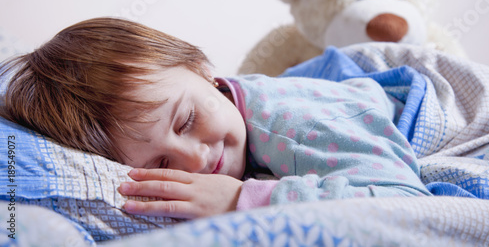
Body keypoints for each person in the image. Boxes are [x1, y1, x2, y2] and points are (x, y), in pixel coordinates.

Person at [0, 17, 431, 219]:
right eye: (161, 165)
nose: (196, 159)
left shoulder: (301, 127)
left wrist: (237, 199)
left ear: (205, 71)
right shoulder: (203, 105)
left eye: (185, 121)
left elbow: (409, 207)